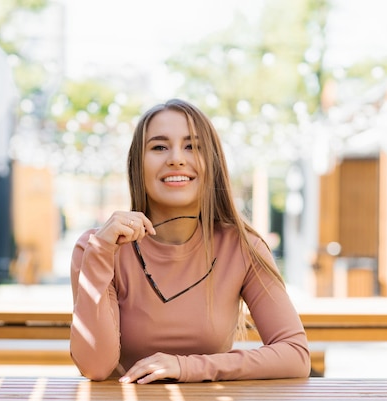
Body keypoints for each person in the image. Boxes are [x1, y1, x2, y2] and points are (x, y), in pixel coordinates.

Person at [70, 98, 310, 384]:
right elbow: (95, 367)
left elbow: (295, 355)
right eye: (159, 147)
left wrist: (187, 368)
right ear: (137, 164)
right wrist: (100, 252)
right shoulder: (97, 247)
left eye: (192, 146)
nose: (176, 158)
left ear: (213, 162)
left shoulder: (242, 247)